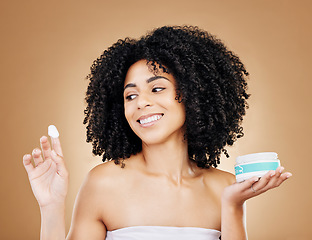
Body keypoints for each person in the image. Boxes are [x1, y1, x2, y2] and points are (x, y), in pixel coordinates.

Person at [23, 25, 292, 240]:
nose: (141, 103)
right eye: (131, 95)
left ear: (192, 94)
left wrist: (232, 206)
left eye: (157, 88)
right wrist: (51, 207)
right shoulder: (103, 184)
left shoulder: (224, 187)